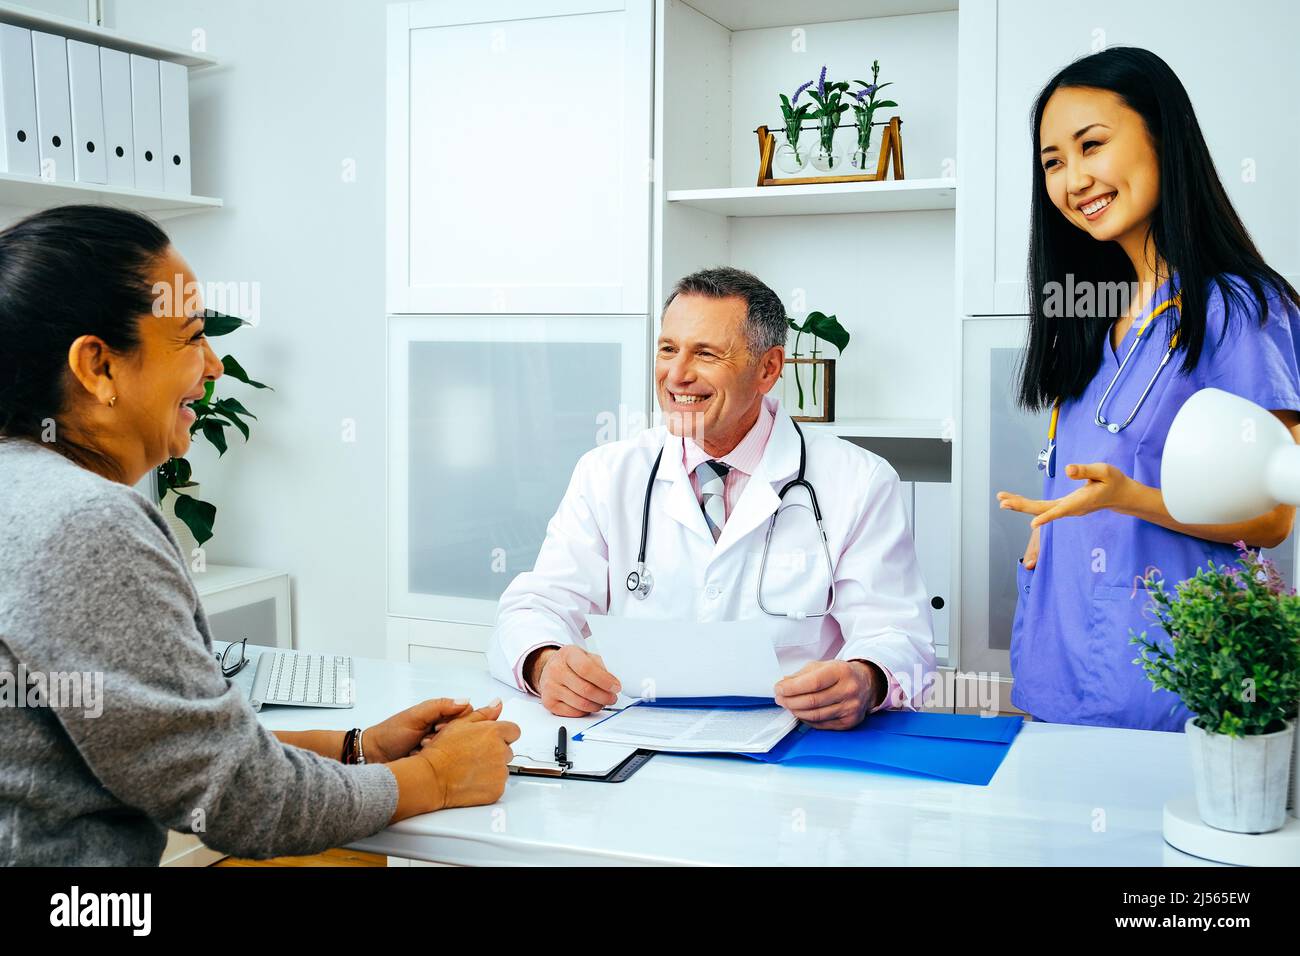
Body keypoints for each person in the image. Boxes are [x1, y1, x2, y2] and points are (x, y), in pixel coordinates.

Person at [0, 205, 519, 865]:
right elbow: (238, 800)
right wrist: (438, 778)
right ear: (99, 366)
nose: (213, 366)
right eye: (190, 337)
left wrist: (360, 749)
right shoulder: (83, 522)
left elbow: (172, 748)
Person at [996, 48, 1300, 731]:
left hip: (1171, 682)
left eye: (1091, 146)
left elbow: (1273, 518)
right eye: (1052, 162)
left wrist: (1134, 501)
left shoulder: (1241, 310)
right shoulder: (1086, 310)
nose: (1073, 179)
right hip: (1059, 660)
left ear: (1162, 136)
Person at [487, 267, 935, 730]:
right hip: (641, 741)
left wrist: (866, 680)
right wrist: (545, 664)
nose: (676, 375)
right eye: (667, 350)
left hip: (794, 745)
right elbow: (533, 607)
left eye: (705, 353)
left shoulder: (859, 480)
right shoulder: (608, 472)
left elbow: (899, 636)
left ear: (768, 368)